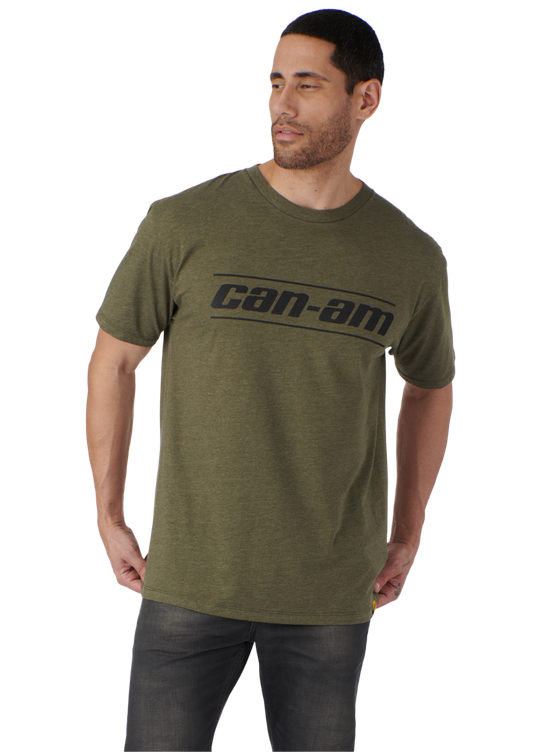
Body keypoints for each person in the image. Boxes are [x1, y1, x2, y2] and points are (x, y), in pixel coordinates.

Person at [86, 8, 454, 752]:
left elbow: (429, 387)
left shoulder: (409, 256)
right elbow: (113, 362)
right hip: (191, 578)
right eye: (276, 82)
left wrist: (409, 531)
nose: (281, 104)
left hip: (329, 591)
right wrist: (109, 511)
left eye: (307, 85)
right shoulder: (184, 223)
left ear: (365, 99)